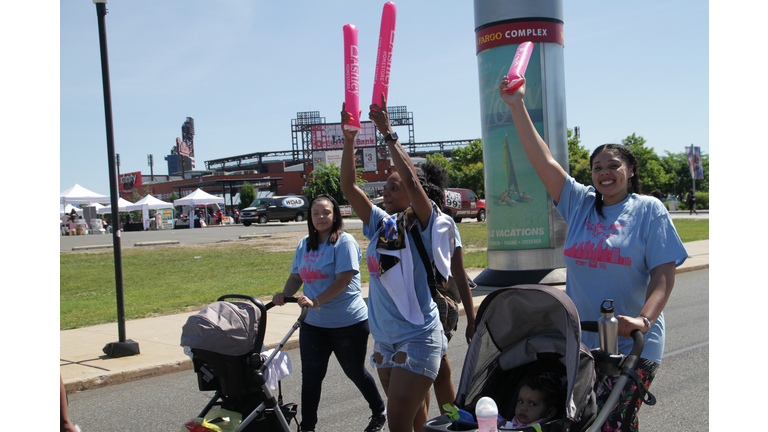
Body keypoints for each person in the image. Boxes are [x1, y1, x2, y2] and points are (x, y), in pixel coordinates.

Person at [499, 76, 688, 432]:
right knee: (588, 423)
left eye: (614, 166)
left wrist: (643, 322)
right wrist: (516, 105)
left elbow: (664, 273)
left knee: (610, 423)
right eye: (598, 167)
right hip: (584, 345)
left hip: (634, 345)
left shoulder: (649, 210)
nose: (605, 173)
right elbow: (543, 161)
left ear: (630, 171)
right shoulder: (580, 203)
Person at [341, 95, 450, 432]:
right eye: (385, 187)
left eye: (394, 186)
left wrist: (387, 133)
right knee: (416, 423)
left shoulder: (425, 220)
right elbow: (348, 186)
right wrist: (349, 141)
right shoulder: (380, 224)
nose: (386, 191)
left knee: (398, 424)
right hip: (385, 340)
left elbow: (414, 181)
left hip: (417, 337)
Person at [272, 194, 386, 432]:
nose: (321, 217)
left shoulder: (344, 242)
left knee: (355, 372)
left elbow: (343, 279)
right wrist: (283, 294)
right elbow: (296, 276)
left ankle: (379, 411)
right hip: (313, 324)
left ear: (335, 215)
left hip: (348, 323)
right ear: (310, 217)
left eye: (326, 212)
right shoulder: (305, 244)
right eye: (315, 213)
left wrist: (316, 301)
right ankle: (308, 427)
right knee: (311, 378)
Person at [414, 161, 476, 416]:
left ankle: (452, 422)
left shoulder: (444, 223)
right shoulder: (398, 223)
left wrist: (472, 320)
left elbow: (460, 273)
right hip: (410, 310)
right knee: (430, 372)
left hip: (435, 309)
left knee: (434, 371)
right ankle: (449, 422)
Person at [498, 373, 562, 431]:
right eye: (521, 401)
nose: (523, 408)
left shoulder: (544, 429)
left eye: (532, 404)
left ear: (550, 412)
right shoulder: (509, 421)